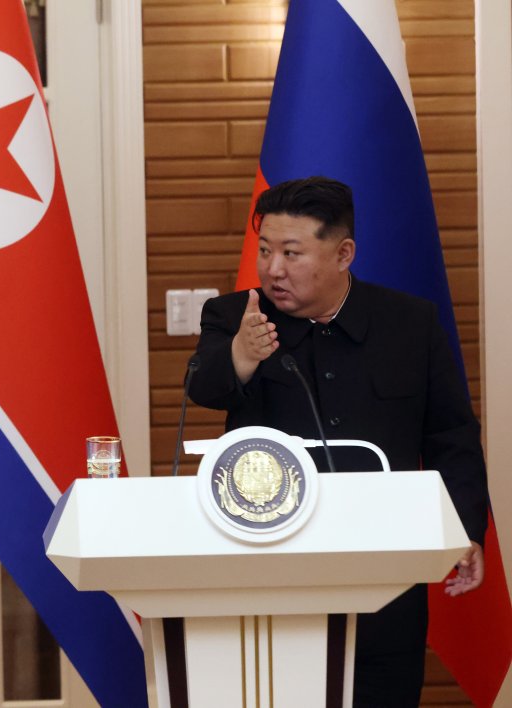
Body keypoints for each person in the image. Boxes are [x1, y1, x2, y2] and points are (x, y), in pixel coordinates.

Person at [189, 176, 489, 706]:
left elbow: (451, 433)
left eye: (291, 252)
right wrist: (240, 354)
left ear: (343, 252)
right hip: (269, 569)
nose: (273, 269)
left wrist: (465, 528)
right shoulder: (236, 317)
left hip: (385, 568)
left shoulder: (408, 323)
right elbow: (204, 386)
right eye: (264, 251)